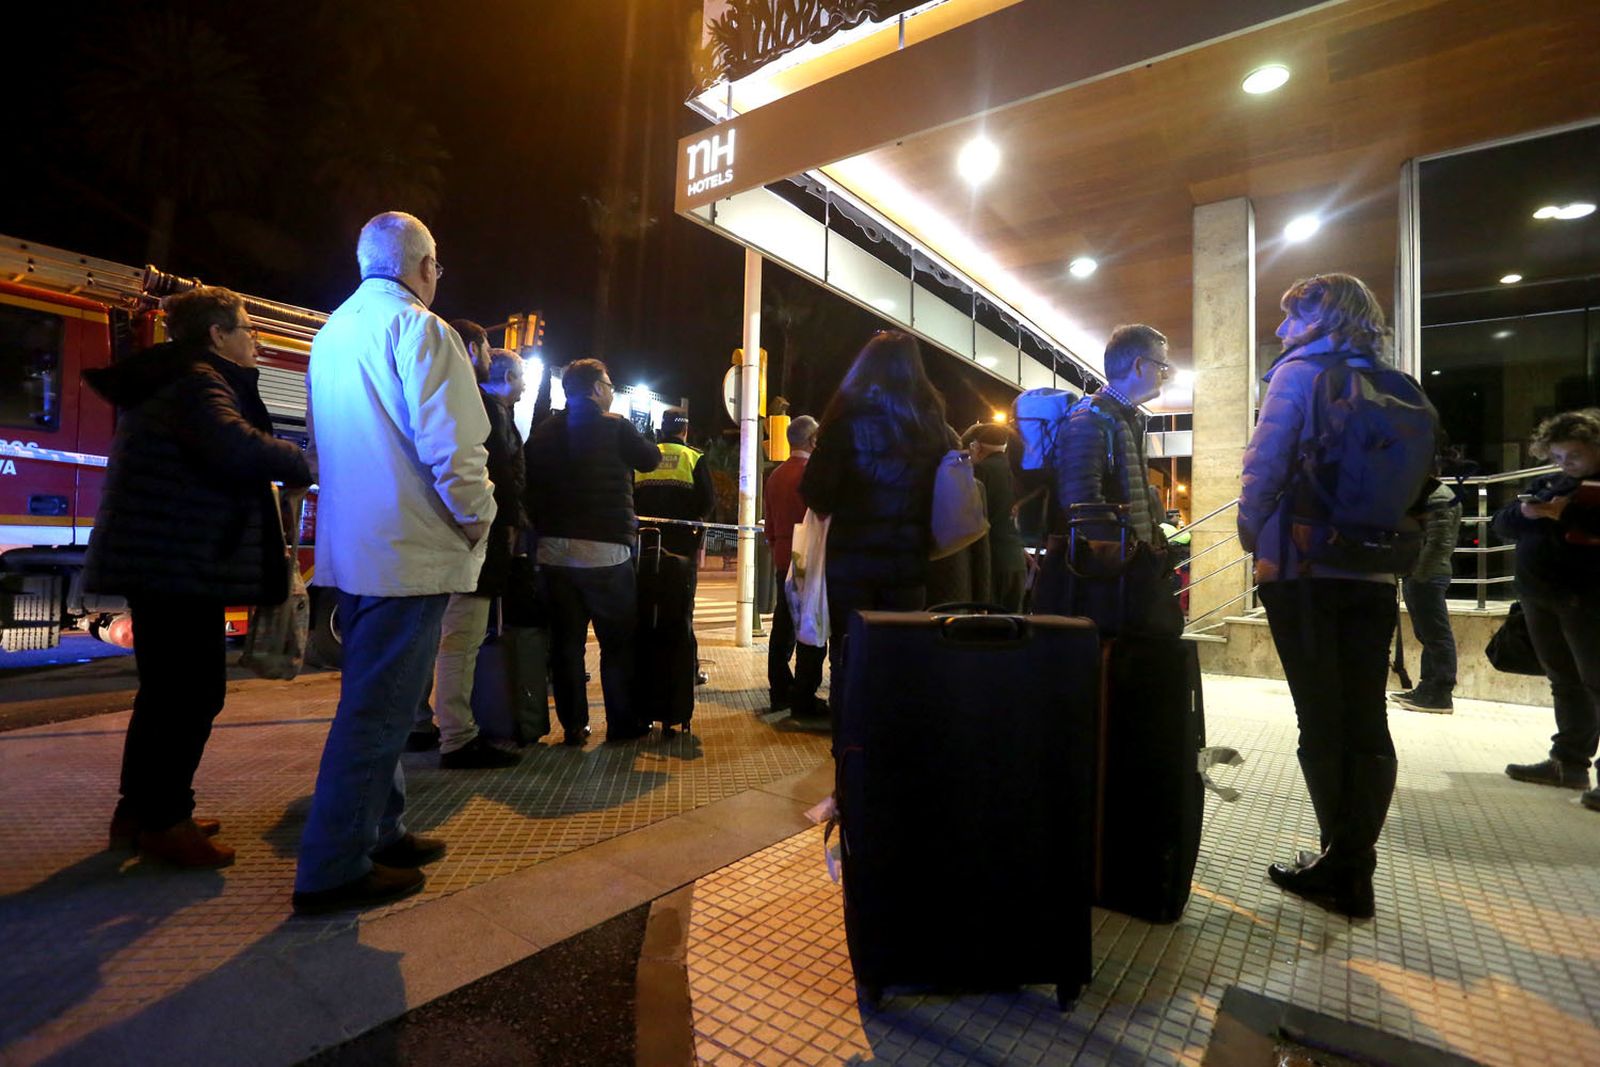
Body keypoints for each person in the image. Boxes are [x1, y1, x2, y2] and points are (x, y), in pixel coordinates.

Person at [293, 211, 496, 914]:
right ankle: (332, 866)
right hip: (409, 553)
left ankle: (382, 831)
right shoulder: (422, 329)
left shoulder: (331, 334)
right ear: (425, 265)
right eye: (436, 266)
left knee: (371, 700)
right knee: (377, 715)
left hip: (352, 552)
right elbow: (457, 450)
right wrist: (478, 521)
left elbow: (321, 443)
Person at [84, 286, 311, 868]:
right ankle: (165, 823)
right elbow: (233, 446)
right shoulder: (195, 380)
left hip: (168, 561)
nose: (254, 340)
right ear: (217, 334)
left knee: (166, 694)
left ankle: (145, 810)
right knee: (191, 693)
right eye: (246, 328)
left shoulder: (175, 377)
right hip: (176, 565)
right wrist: (302, 462)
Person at [1238, 272, 1435, 920]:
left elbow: (1263, 464)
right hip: (1371, 571)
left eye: (1291, 317)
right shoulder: (1390, 381)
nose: (1281, 330)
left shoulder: (1298, 373)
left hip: (1304, 567)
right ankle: (1354, 861)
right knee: (1365, 715)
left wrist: (1252, 531)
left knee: (1321, 719)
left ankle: (1342, 866)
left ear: (1320, 316)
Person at [801, 331, 950, 733]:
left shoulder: (845, 420)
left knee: (850, 655)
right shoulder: (933, 424)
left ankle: (850, 750)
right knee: (902, 653)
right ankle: (896, 746)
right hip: (910, 563)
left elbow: (816, 493)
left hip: (852, 563)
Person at [524, 358, 661, 744]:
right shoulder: (614, 426)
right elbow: (650, 459)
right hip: (606, 553)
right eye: (609, 383)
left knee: (566, 645)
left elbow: (528, 483)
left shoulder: (544, 432)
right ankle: (621, 724)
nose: (612, 389)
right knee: (617, 643)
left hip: (553, 554)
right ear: (596, 388)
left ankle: (574, 726)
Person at [424, 343, 528, 770]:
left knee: (442, 639)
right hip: (474, 544)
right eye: (522, 379)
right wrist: (487, 524)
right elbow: (497, 479)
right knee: (460, 642)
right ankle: (458, 736)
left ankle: (427, 724)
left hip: (451, 541)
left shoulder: (478, 407)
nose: (524, 388)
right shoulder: (486, 413)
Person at [1495, 408, 1600, 811]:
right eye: (1557, 456)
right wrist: (1525, 512)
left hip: (1586, 596)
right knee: (1565, 680)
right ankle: (1569, 762)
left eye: (1572, 456)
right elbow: (1502, 524)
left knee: (1597, 682)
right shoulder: (1552, 483)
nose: (1563, 464)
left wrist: (1567, 513)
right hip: (1541, 595)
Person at [1051, 324, 1170, 542]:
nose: (1166, 376)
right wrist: (1120, 548)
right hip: (1108, 570)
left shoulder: (1125, 416)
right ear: (1139, 365)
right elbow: (1080, 498)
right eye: (1161, 367)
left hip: (1129, 564)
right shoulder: (1091, 415)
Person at [634, 408, 716, 663]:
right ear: (685, 430)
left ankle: (646, 666)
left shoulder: (644, 458)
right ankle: (684, 669)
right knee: (680, 609)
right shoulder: (692, 457)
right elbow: (707, 502)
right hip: (682, 549)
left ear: (662, 428)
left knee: (645, 606)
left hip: (644, 546)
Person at [766, 415, 828, 726]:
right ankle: (805, 692)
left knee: (782, 625)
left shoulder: (775, 474)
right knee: (810, 626)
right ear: (813, 441)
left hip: (781, 556)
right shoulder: (813, 475)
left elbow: (769, 521)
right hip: (808, 560)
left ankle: (779, 689)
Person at [1392, 475, 1462, 713]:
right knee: (1428, 634)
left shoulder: (1439, 496)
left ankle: (1440, 692)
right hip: (1421, 574)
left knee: (1436, 634)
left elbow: (1439, 542)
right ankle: (1428, 687)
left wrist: (1419, 573)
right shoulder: (1428, 493)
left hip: (1428, 575)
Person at [963, 422, 1026, 612]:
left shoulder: (981, 471)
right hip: (1016, 561)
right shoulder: (1017, 470)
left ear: (975, 446)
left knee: (990, 628)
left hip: (992, 564)